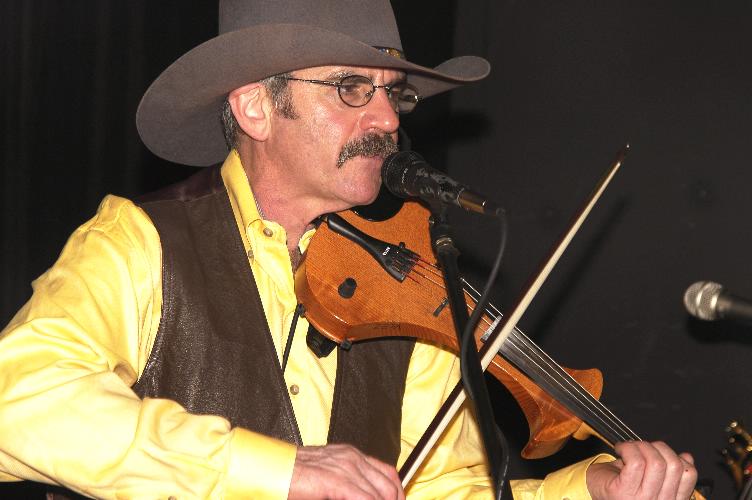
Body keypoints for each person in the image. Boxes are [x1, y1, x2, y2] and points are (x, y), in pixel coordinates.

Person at [0, 1, 698, 498]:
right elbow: (19, 402)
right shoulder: (139, 240)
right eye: (351, 87)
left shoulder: (416, 273)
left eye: (393, 94)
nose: (388, 118)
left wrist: (591, 491)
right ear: (255, 107)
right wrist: (279, 473)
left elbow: (443, 491)